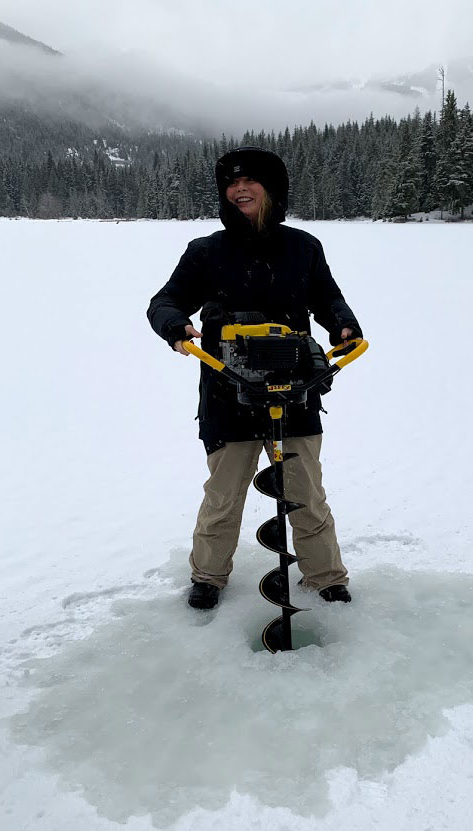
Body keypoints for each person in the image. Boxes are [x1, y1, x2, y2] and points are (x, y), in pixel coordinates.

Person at [147, 147, 363, 610]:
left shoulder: (303, 247)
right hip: (230, 391)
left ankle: (326, 576)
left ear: (273, 189)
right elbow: (164, 301)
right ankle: (208, 576)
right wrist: (174, 325)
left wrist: (344, 327)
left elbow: (328, 300)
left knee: (306, 494)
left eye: (250, 181)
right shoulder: (206, 252)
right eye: (231, 183)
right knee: (223, 499)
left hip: (296, 390)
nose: (239, 189)